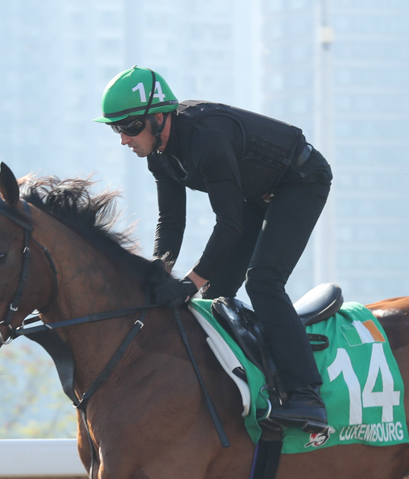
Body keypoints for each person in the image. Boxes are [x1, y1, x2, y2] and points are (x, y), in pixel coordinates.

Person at [95, 66, 332, 433]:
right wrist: (158, 273)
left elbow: (230, 225)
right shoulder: (158, 154)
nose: (123, 140)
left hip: (301, 181)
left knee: (263, 281)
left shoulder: (206, 138)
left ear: (158, 118)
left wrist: (188, 283)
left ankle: (306, 396)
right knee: (216, 294)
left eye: (128, 127)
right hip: (255, 192)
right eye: (117, 128)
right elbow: (171, 222)